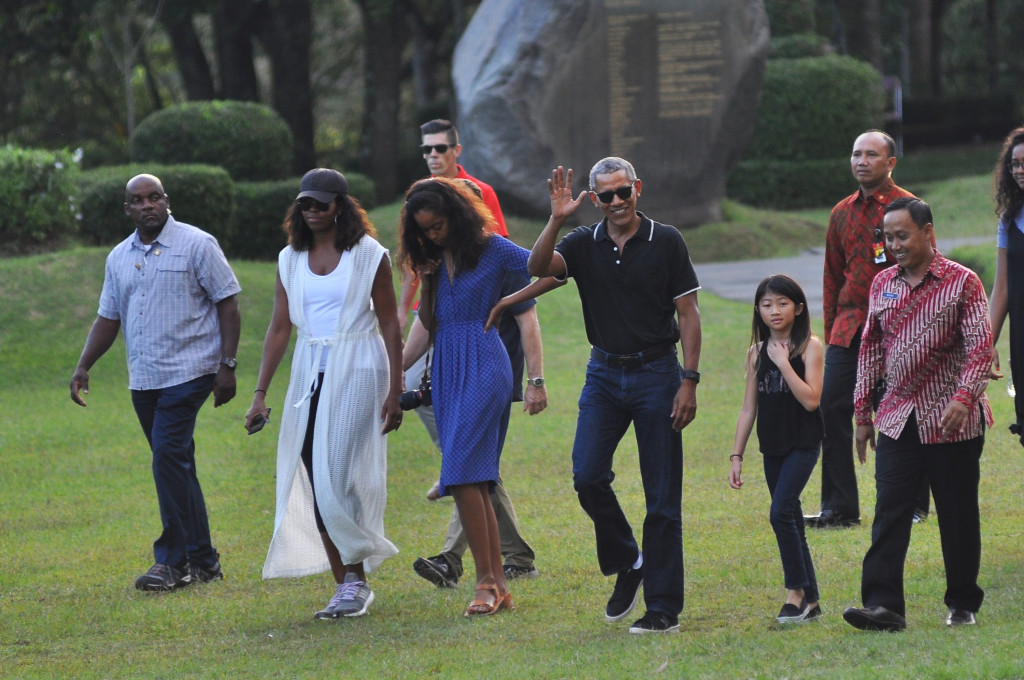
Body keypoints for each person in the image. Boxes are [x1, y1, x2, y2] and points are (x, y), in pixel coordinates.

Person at [526, 160, 702, 634]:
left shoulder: (667, 241)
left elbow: (688, 314)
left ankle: (663, 608)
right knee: (587, 476)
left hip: (658, 374)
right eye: (606, 196)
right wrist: (558, 218)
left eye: (623, 191)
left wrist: (689, 379)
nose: (617, 201)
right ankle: (629, 559)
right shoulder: (584, 244)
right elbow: (538, 267)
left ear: (637, 189)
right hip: (603, 375)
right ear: (595, 200)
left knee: (662, 497)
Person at [69, 173, 241, 591]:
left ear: (166, 200)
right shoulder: (118, 257)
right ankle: (204, 562)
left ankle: (172, 562)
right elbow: (109, 317)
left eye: (154, 197)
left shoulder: (197, 244)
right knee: (178, 465)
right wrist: (83, 365)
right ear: (127, 208)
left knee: (166, 458)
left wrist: (227, 365)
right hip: (145, 378)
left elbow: (228, 302)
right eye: (138, 200)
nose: (148, 205)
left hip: (191, 371)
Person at [246, 169, 402, 620]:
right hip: (307, 376)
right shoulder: (289, 259)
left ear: (341, 205)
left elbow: (391, 322)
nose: (312, 212)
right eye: (306, 205)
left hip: (358, 369)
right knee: (317, 478)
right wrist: (259, 393)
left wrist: (396, 389)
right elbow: (278, 329)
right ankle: (348, 583)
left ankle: (355, 578)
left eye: (321, 204)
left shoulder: (369, 255)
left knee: (333, 472)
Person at [403, 120, 544, 588]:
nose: (434, 235)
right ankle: (494, 577)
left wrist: (559, 219)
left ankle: (486, 577)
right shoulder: (433, 260)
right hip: (446, 369)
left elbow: (548, 269)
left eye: (439, 226)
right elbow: (427, 323)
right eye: (425, 230)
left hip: (486, 361)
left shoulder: (493, 249)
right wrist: (392, 371)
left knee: (462, 467)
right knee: (470, 474)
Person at [843, 197, 991, 632]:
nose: (895, 245)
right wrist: (862, 413)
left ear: (928, 232)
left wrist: (964, 398)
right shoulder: (883, 284)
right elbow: (870, 347)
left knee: (956, 512)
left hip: (952, 420)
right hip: (897, 416)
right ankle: (884, 606)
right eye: (888, 238)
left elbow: (981, 348)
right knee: (889, 510)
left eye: (902, 236)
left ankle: (962, 603)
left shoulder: (963, 282)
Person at [809, 129, 920, 529]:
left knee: (902, 409)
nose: (861, 161)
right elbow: (830, 277)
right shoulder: (841, 212)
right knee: (830, 408)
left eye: (871, 155)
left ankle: (912, 504)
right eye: (856, 154)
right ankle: (839, 507)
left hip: (898, 326)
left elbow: (925, 269)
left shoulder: (908, 208)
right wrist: (830, 333)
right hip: (849, 326)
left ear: (890, 162)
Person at [728, 275, 824, 624]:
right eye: (767, 305)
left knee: (780, 512)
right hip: (772, 448)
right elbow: (748, 409)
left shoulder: (811, 347)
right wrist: (736, 456)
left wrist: (784, 363)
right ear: (758, 310)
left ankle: (795, 592)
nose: (775, 311)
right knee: (792, 519)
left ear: (798, 308)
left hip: (803, 443)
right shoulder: (755, 353)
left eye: (782, 303)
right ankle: (811, 602)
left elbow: (812, 401)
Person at [988, 125, 1024, 443]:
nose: (1020, 170)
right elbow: (1002, 288)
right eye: (1015, 164)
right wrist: (987, 343)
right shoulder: (1009, 220)